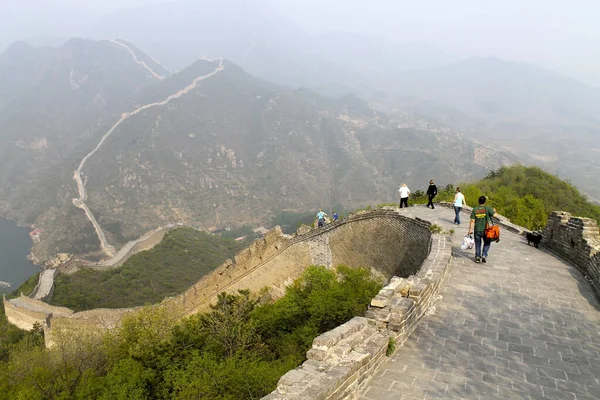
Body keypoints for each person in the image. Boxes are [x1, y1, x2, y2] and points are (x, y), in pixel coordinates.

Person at [468, 196, 499, 263]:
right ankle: (484, 255)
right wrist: (494, 211)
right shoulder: (487, 208)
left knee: (478, 243)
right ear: (485, 201)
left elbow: (472, 221)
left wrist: (470, 230)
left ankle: (477, 257)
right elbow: (496, 215)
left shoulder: (475, 209)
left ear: (478, 201)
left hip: (477, 229)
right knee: (487, 242)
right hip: (486, 230)